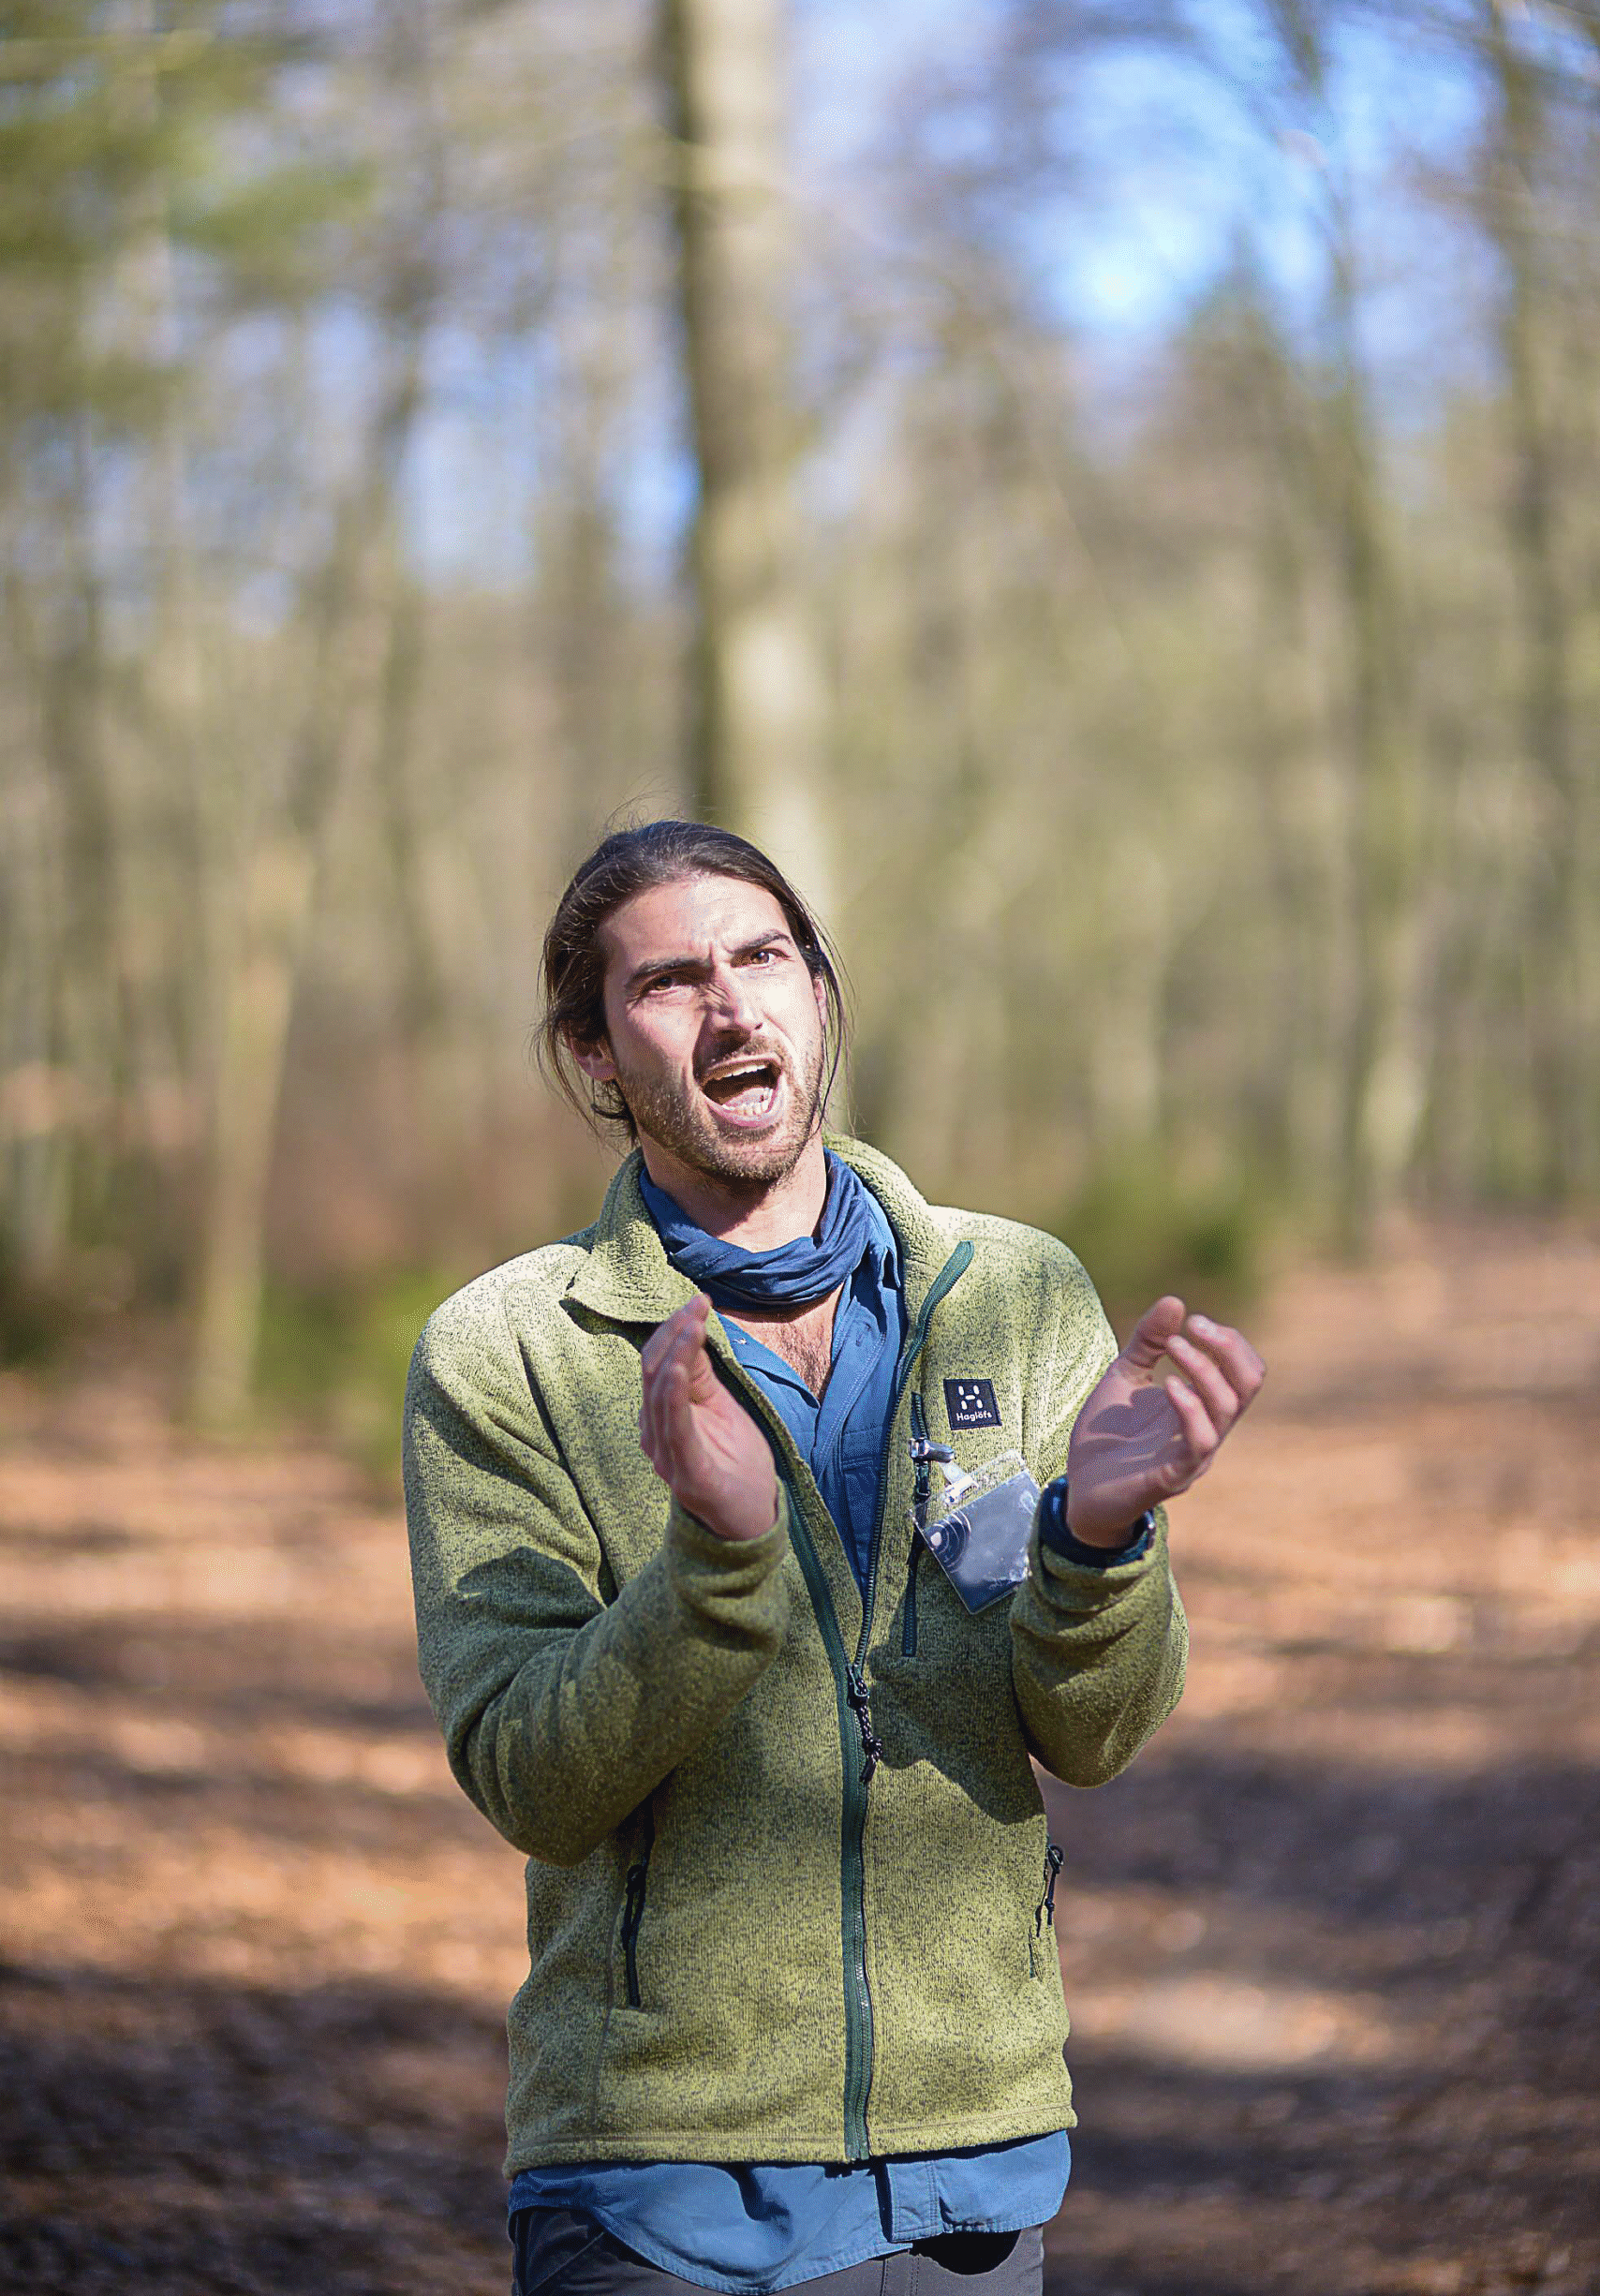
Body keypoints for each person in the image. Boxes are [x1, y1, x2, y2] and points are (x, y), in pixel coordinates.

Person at [402, 819, 1265, 2296]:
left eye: (764, 959)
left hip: (972, 2174)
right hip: (653, 2182)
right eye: (670, 983)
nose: (733, 1008)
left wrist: (1098, 1540)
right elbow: (530, 1777)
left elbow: (1097, 1732)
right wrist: (714, 1569)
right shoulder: (510, 1354)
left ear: (817, 994)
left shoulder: (1014, 1292)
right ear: (594, 1053)